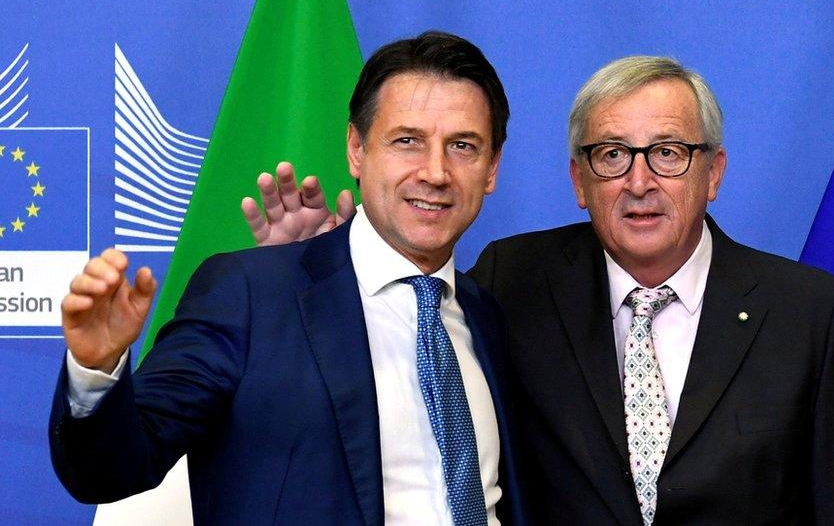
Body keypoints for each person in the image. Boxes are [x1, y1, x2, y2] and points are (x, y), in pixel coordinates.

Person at [249, 56, 834, 524]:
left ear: (713, 171)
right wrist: (325, 275)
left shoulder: (808, 312)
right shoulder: (510, 281)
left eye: (667, 152)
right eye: (611, 155)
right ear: (579, 181)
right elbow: (398, 392)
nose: (639, 181)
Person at [50, 31, 526, 526]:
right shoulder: (249, 294)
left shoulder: (487, 314)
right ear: (356, 149)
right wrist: (97, 370)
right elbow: (112, 470)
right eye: (407, 141)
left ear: (491, 169)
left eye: (463, 146)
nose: (435, 172)